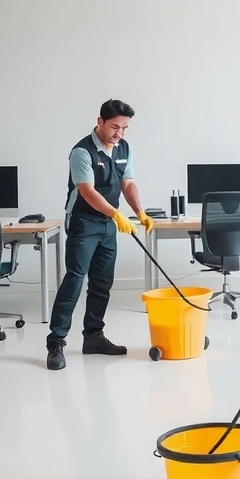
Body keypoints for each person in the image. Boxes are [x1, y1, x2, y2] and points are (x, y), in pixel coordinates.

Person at [46, 100, 154, 371]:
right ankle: (56, 342)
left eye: (124, 128)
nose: (120, 133)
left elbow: (127, 183)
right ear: (100, 121)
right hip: (84, 221)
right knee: (75, 279)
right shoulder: (82, 151)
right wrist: (117, 214)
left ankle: (93, 337)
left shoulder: (123, 148)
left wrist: (139, 212)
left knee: (102, 282)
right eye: (115, 127)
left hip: (107, 224)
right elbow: (87, 191)